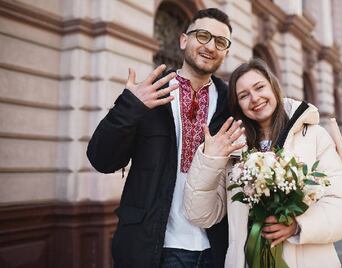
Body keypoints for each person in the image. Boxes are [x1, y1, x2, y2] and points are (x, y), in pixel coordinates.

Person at [87, 8, 233, 268]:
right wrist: (129, 107)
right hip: (154, 247)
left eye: (220, 42)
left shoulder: (231, 104)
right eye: (203, 36)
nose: (211, 46)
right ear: (183, 40)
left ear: (226, 52)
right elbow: (102, 159)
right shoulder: (149, 95)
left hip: (217, 248)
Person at [183, 59, 342, 268]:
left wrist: (298, 226)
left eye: (259, 87)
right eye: (244, 95)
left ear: (274, 87)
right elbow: (201, 216)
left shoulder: (315, 136)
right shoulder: (234, 149)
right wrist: (209, 159)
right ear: (238, 105)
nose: (255, 98)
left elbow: (341, 203)